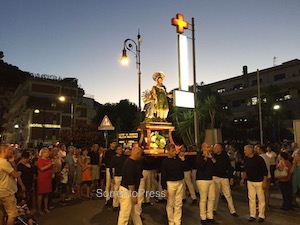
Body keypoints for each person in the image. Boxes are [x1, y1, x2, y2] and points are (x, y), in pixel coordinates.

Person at [240, 145, 267, 223]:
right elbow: (245, 169)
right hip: (250, 181)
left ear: (250, 150)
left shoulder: (259, 159)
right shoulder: (246, 159)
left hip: (259, 181)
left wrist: (264, 181)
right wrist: (243, 179)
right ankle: (252, 215)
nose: (244, 151)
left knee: (261, 198)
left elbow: (265, 171)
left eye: (245, 150)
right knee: (251, 198)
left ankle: (261, 215)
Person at [0, 144, 26, 225]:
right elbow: (15, 174)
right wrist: (19, 172)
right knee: (12, 214)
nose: (11, 152)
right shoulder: (3, 162)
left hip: (2, 190)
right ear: (4, 151)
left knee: (2, 213)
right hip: (7, 191)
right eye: (9, 150)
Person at [117, 146, 143, 225]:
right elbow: (130, 181)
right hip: (127, 191)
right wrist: (134, 194)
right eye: (140, 154)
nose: (141, 156)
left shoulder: (130, 161)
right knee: (125, 214)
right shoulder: (131, 164)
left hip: (128, 190)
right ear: (137, 154)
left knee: (134, 212)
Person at [161, 144, 185, 225]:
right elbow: (163, 176)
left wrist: (183, 160)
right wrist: (165, 188)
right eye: (172, 150)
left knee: (178, 203)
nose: (174, 152)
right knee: (170, 204)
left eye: (175, 150)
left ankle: (177, 221)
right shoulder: (165, 162)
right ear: (168, 151)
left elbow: (184, 168)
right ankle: (171, 221)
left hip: (179, 182)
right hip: (170, 183)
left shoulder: (178, 159)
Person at [212, 143, 238, 217]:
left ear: (220, 149)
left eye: (216, 148)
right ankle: (214, 209)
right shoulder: (213, 156)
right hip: (215, 177)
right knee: (215, 194)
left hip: (224, 177)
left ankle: (233, 210)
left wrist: (231, 177)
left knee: (228, 194)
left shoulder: (224, 156)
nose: (214, 149)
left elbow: (228, 167)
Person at [196, 143, 218, 225]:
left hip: (210, 179)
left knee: (212, 198)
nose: (209, 148)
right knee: (203, 199)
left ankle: (210, 216)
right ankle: (203, 217)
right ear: (203, 148)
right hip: (202, 180)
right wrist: (205, 157)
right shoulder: (199, 155)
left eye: (209, 147)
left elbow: (216, 164)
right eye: (207, 147)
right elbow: (201, 165)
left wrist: (210, 157)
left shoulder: (211, 156)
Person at [37, 147, 56, 216]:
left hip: (48, 178)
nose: (47, 154)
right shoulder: (40, 160)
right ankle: (39, 209)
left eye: (48, 152)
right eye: (45, 152)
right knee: (41, 194)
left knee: (47, 194)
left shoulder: (48, 159)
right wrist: (50, 165)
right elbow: (41, 169)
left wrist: (53, 166)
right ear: (42, 153)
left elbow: (51, 167)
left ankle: (46, 208)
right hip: (42, 178)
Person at [109, 145, 126, 210]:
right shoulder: (114, 158)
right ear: (116, 151)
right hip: (116, 176)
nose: (120, 150)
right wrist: (112, 178)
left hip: (123, 176)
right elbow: (111, 168)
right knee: (116, 191)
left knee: (122, 192)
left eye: (121, 149)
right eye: (119, 149)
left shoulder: (124, 158)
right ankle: (115, 205)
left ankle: (121, 204)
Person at [104, 141, 117, 205]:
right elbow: (106, 160)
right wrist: (108, 167)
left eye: (115, 143)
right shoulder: (108, 152)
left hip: (115, 168)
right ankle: (107, 198)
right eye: (113, 143)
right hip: (109, 168)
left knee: (113, 184)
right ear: (110, 144)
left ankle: (112, 196)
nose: (115, 144)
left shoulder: (115, 152)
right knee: (108, 183)